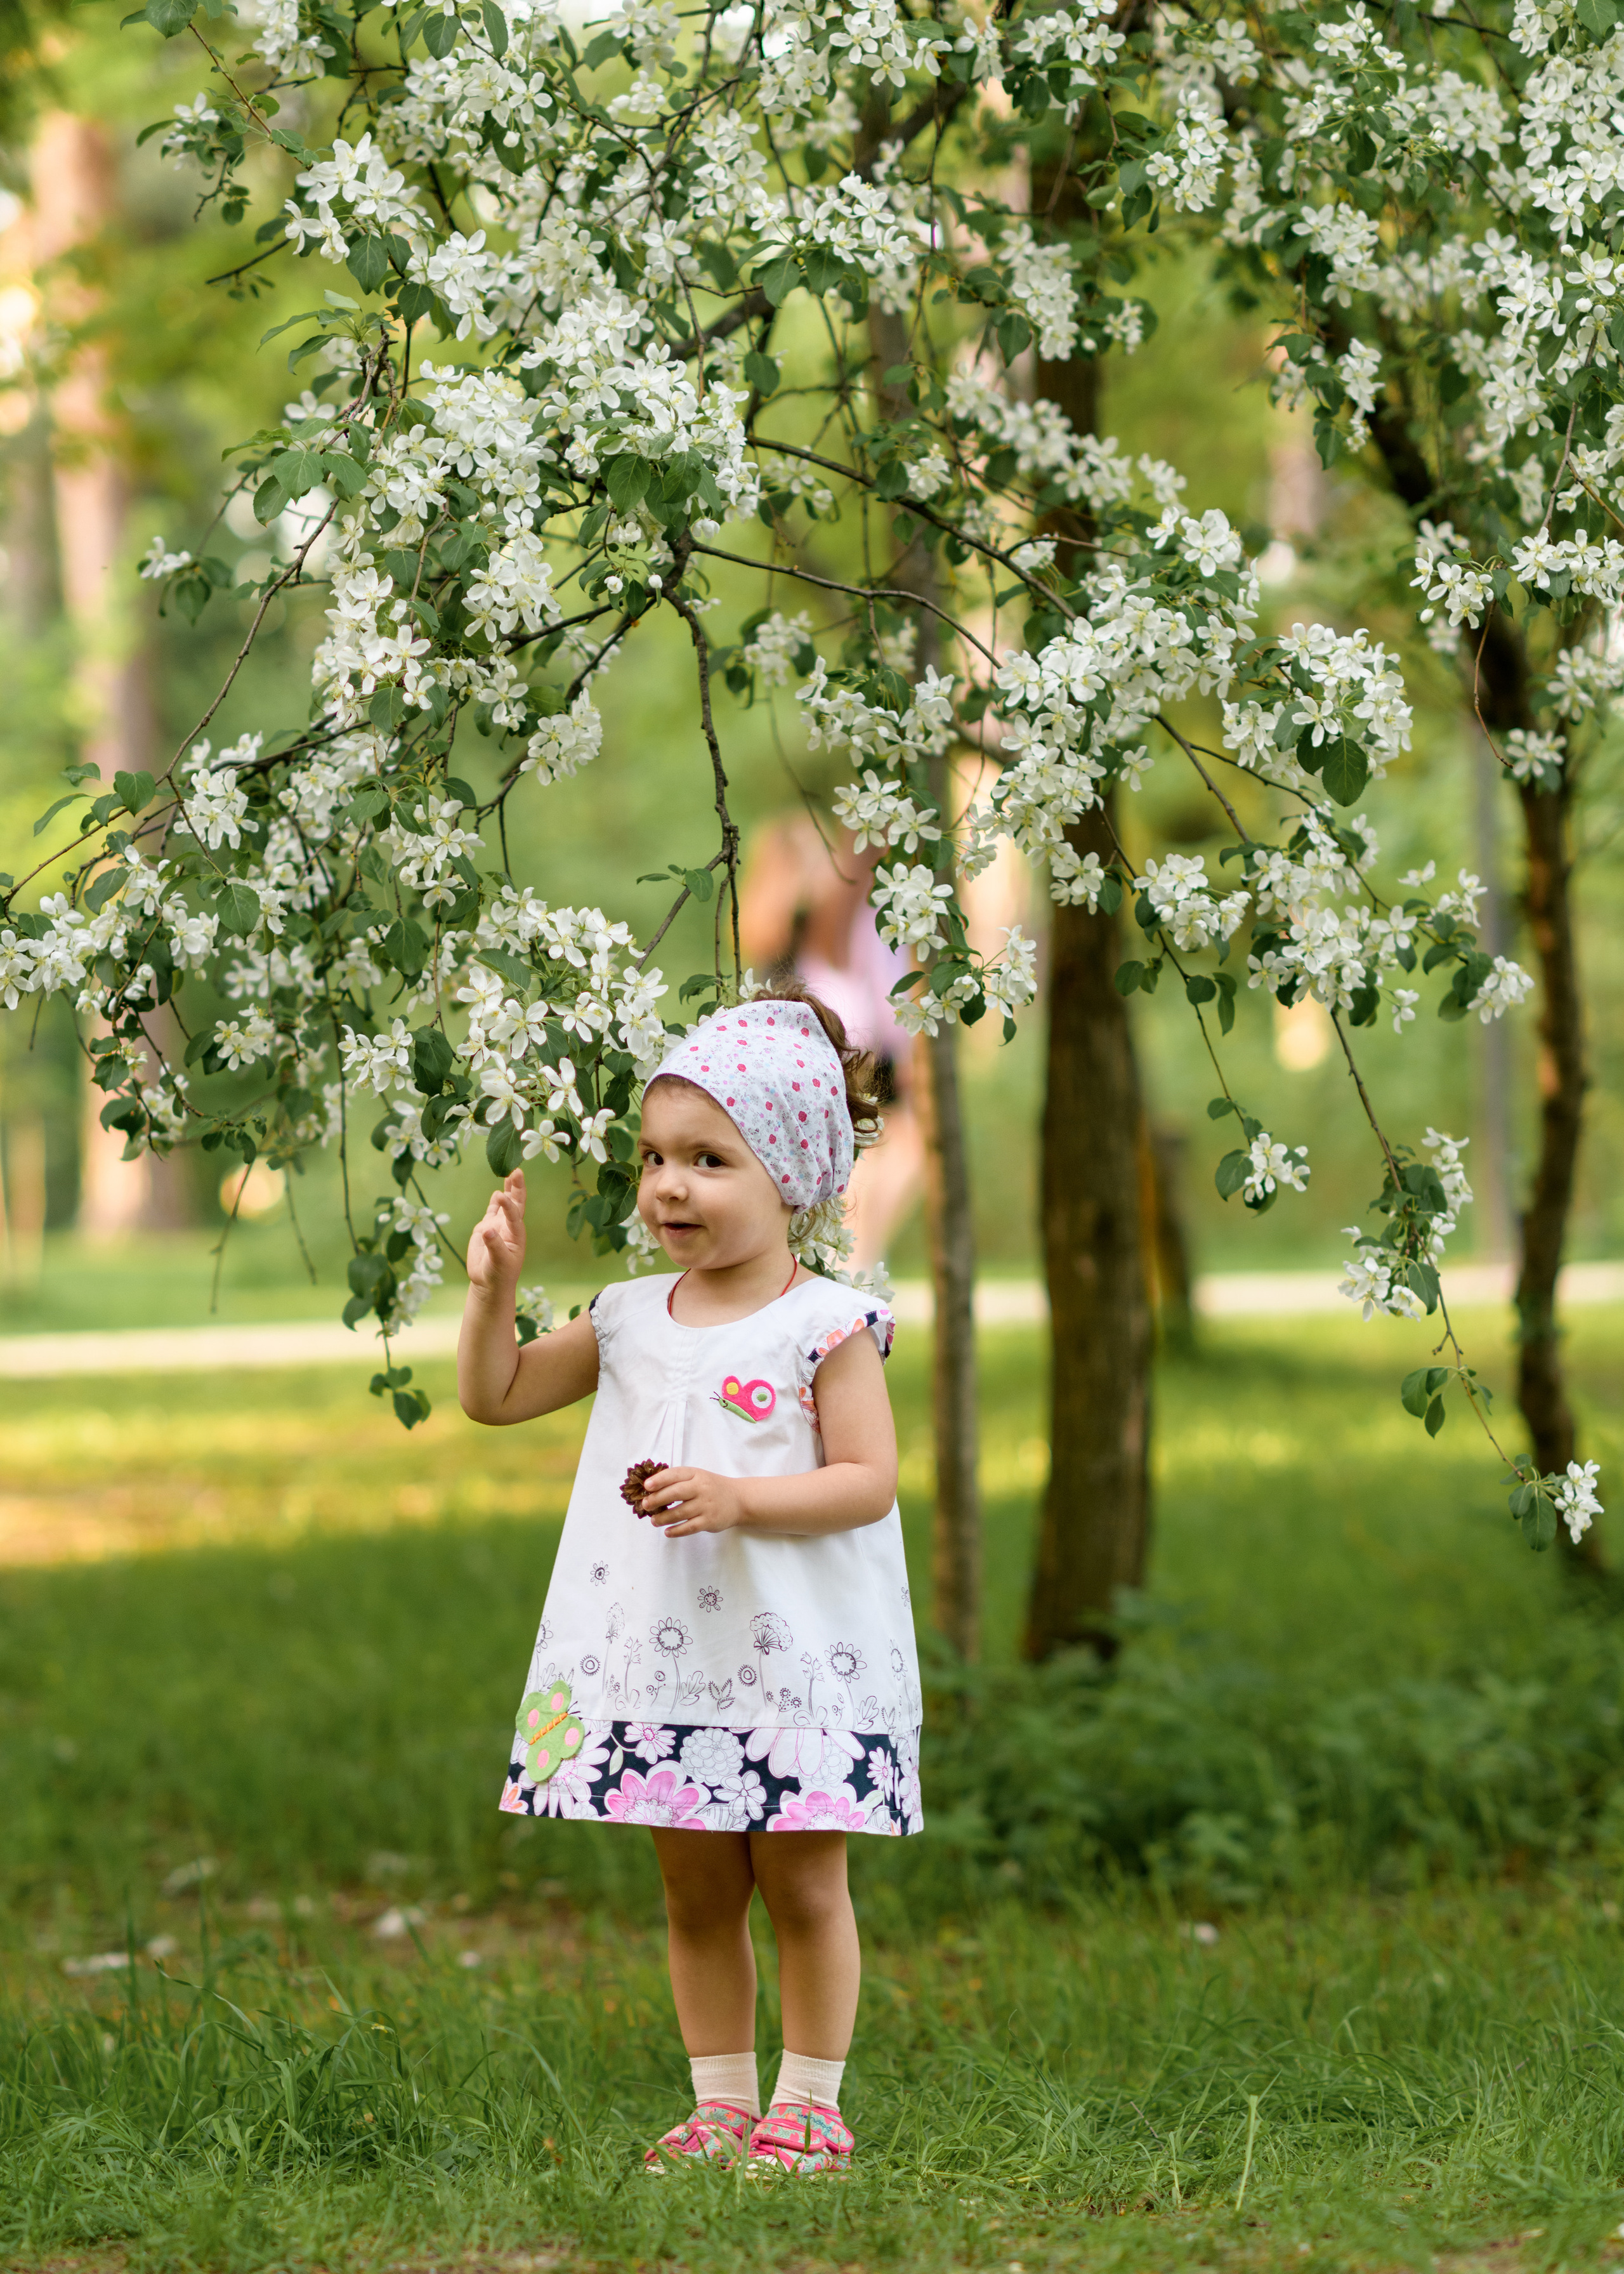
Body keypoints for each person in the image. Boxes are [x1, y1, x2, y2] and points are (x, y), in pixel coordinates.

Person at [458, 987, 923, 2178]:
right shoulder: (623, 1319)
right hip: (659, 1658)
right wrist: (491, 1293)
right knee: (696, 1887)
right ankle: (722, 2104)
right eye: (655, 1157)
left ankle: (810, 2105)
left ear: (794, 1177)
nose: (670, 1185)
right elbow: (496, 1392)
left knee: (804, 1881)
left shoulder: (827, 1325)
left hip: (792, 1660)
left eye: (710, 1159)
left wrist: (738, 1495)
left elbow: (869, 1479)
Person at [737, 816, 924, 1270]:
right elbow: (846, 893)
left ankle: (855, 1252)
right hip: (835, 1044)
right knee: (874, 1150)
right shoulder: (804, 923)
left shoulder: (795, 923)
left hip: (855, 1041)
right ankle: (854, 1255)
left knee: (895, 1149)